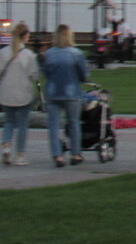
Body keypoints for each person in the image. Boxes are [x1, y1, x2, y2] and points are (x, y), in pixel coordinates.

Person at [41, 24, 89, 167]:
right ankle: (75, 154)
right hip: (71, 92)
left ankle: (57, 156)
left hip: (53, 92)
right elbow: (83, 75)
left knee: (54, 126)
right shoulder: (76, 53)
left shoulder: (49, 54)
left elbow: (45, 72)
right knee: (74, 123)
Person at [0, 23, 40, 166]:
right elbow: (34, 76)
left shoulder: (4, 52)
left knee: (9, 122)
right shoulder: (29, 55)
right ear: (24, 36)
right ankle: (20, 155)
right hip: (23, 93)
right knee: (22, 124)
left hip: (6, 93)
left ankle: (6, 147)